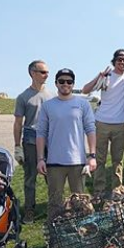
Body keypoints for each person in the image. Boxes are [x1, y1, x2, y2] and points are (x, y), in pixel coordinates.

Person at [37, 69, 97, 219]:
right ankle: (55, 237)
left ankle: (84, 236)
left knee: (81, 203)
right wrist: (40, 159)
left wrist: (92, 155)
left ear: (73, 84)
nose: (65, 84)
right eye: (62, 81)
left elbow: (91, 129)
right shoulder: (47, 106)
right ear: (56, 83)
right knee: (55, 203)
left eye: (69, 82)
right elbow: (41, 133)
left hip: (78, 162)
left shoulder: (83, 104)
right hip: (54, 163)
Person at [82, 49, 124, 195]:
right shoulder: (106, 76)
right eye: (119, 59)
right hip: (101, 122)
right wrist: (99, 76)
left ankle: (117, 189)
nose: (122, 62)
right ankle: (99, 191)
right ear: (114, 60)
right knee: (100, 159)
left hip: (120, 124)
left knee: (118, 159)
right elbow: (85, 90)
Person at [13, 60, 53, 223]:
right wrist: (17, 146)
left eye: (47, 72)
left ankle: (54, 208)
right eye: (43, 72)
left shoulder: (52, 96)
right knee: (30, 177)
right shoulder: (23, 97)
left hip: (50, 139)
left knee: (52, 176)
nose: (46, 75)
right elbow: (17, 123)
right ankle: (29, 210)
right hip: (30, 139)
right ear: (32, 73)